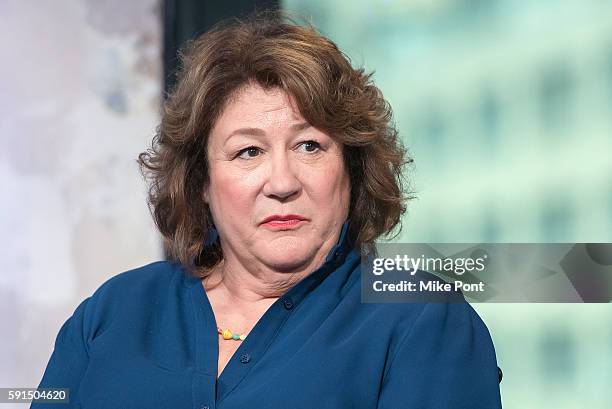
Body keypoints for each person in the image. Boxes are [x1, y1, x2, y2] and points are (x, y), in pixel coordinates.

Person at [32, 13, 502, 409]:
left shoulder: (419, 316)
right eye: (248, 152)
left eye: (310, 146)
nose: (281, 183)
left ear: (352, 169)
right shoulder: (112, 312)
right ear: (201, 183)